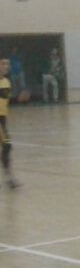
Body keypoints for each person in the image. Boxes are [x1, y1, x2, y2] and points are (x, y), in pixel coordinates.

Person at [0, 58, 20, 189]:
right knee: (7, 145)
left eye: (7, 64)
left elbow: (6, 100)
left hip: (3, 119)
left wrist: (19, 100)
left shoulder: (7, 82)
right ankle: (9, 178)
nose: (6, 66)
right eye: (3, 63)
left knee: (6, 146)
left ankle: (8, 178)